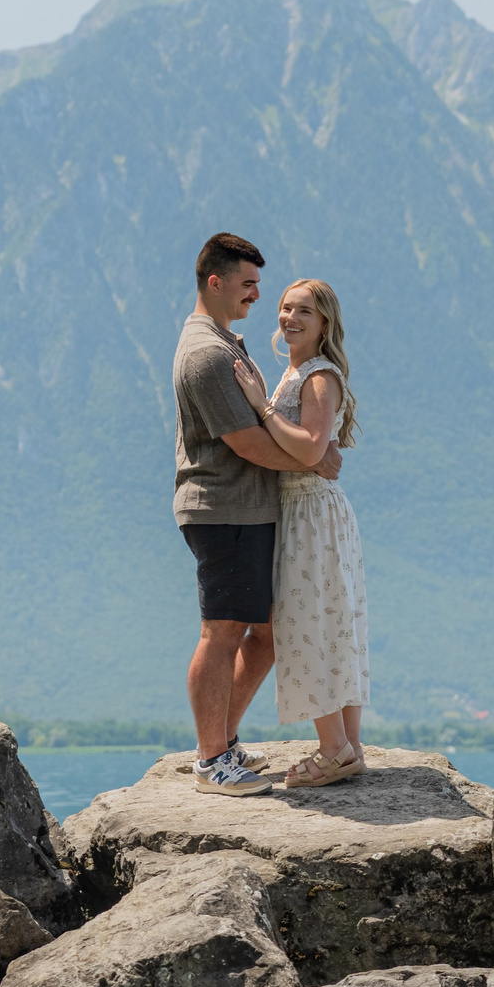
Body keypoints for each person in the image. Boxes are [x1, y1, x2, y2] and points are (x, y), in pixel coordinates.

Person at [173, 232, 341, 795]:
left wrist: (306, 454)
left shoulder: (226, 343)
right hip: (224, 508)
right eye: (248, 285)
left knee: (267, 632)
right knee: (222, 631)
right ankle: (210, 760)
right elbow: (244, 442)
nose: (256, 296)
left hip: (249, 508)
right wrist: (312, 462)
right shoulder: (208, 353)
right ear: (215, 282)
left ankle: (224, 740)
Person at [235, 278, 369, 789]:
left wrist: (260, 405)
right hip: (312, 511)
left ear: (325, 324)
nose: (289, 318)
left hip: (309, 512)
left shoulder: (317, 375)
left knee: (306, 625)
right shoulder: (300, 371)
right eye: (285, 309)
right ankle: (349, 746)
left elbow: (312, 451)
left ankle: (334, 751)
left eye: (304, 312)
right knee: (332, 621)